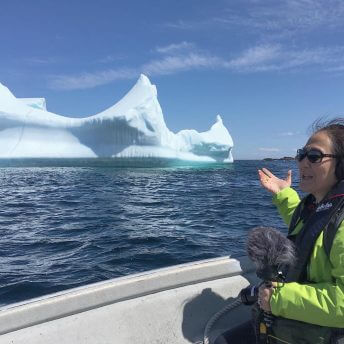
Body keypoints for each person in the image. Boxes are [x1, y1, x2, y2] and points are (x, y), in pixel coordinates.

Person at [257, 118, 344, 344]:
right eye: (301, 155)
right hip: (307, 329)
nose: (303, 163)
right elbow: (312, 226)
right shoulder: (317, 206)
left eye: (314, 156)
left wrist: (278, 299)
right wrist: (283, 193)